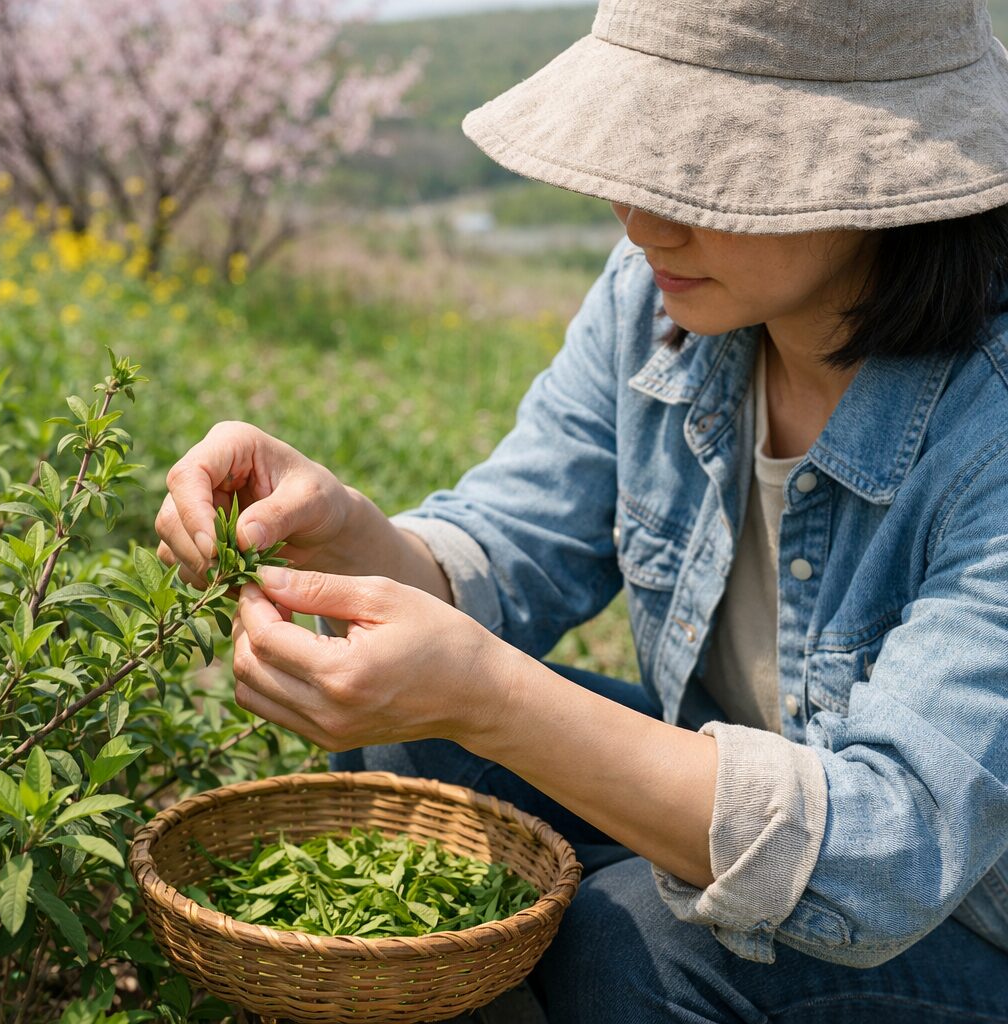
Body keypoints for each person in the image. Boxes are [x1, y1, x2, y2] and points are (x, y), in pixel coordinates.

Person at [155, 0, 1008, 1019]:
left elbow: (888, 851)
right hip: (757, 803)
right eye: (644, 159)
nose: (642, 219)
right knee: (410, 750)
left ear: (886, 172)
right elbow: (518, 542)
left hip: (954, 918)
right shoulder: (666, 295)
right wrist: (347, 533)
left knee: (634, 943)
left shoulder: (987, 422)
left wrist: (490, 697)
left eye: (712, 172)